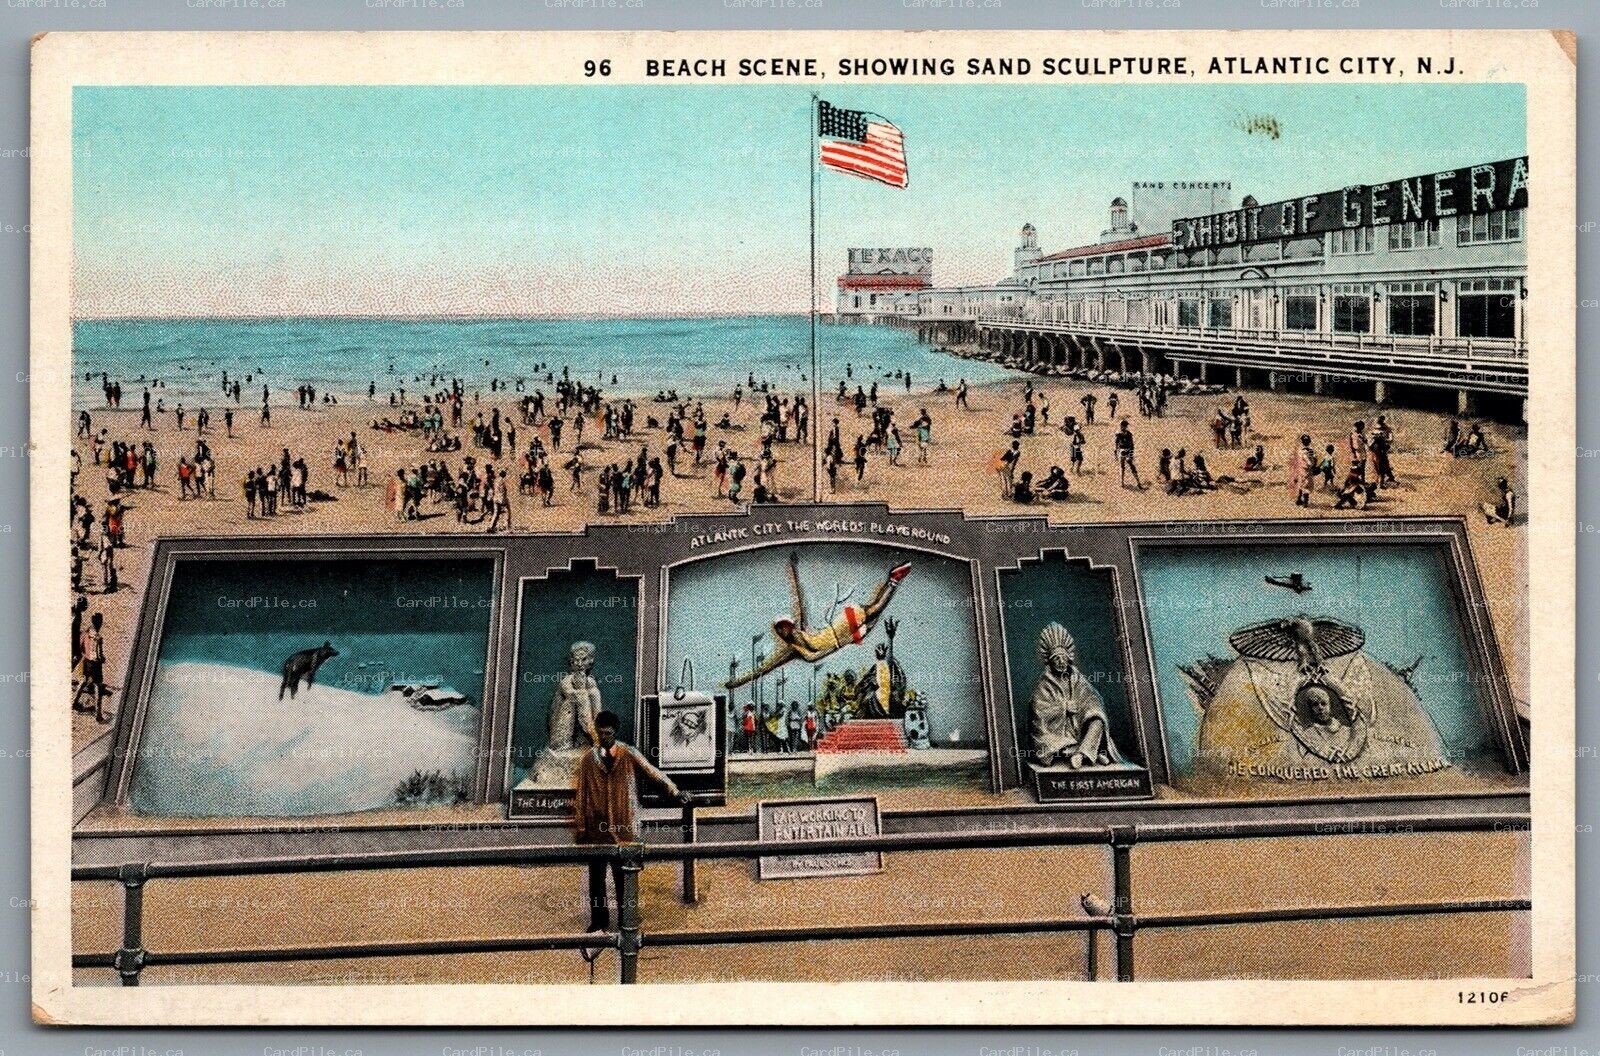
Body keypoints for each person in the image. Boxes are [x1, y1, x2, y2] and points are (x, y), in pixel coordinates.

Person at [572, 711, 688, 932]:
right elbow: (582, 794)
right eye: (601, 733)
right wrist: (581, 826)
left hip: (624, 826)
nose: (604, 737)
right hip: (597, 829)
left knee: (623, 876)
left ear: (615, 733)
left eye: (608, 733)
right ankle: (599, 922)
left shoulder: (628, 754)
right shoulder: (588, 760)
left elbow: (653, 773)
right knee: (596, 878)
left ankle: (627, 920)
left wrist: (674, 791)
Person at [1114, 420, 1142, 489]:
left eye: (1124, 426)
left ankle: (1137, 482)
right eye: (1123, 426)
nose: (1123, 427)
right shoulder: (1120, 434)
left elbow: (1132, 445)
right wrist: (1116, 453)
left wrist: (1131, 454)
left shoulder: (1128, 434)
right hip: (1123, 451)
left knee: (1129, 466)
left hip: (1126, 451)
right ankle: (1123, 482)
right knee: (1124, 467)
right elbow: (1116, 444)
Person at [1290, 435, 1315, 507]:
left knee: (1301, 484)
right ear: (1309, 442)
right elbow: (1310, 460)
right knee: (1306, 486)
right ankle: (1305, 502)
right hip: (1307, 470)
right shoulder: (1310, 451)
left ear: (1302, 442)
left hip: (1301, 470)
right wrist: (1312, 465)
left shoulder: (1300, 450)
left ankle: (1299, 500)